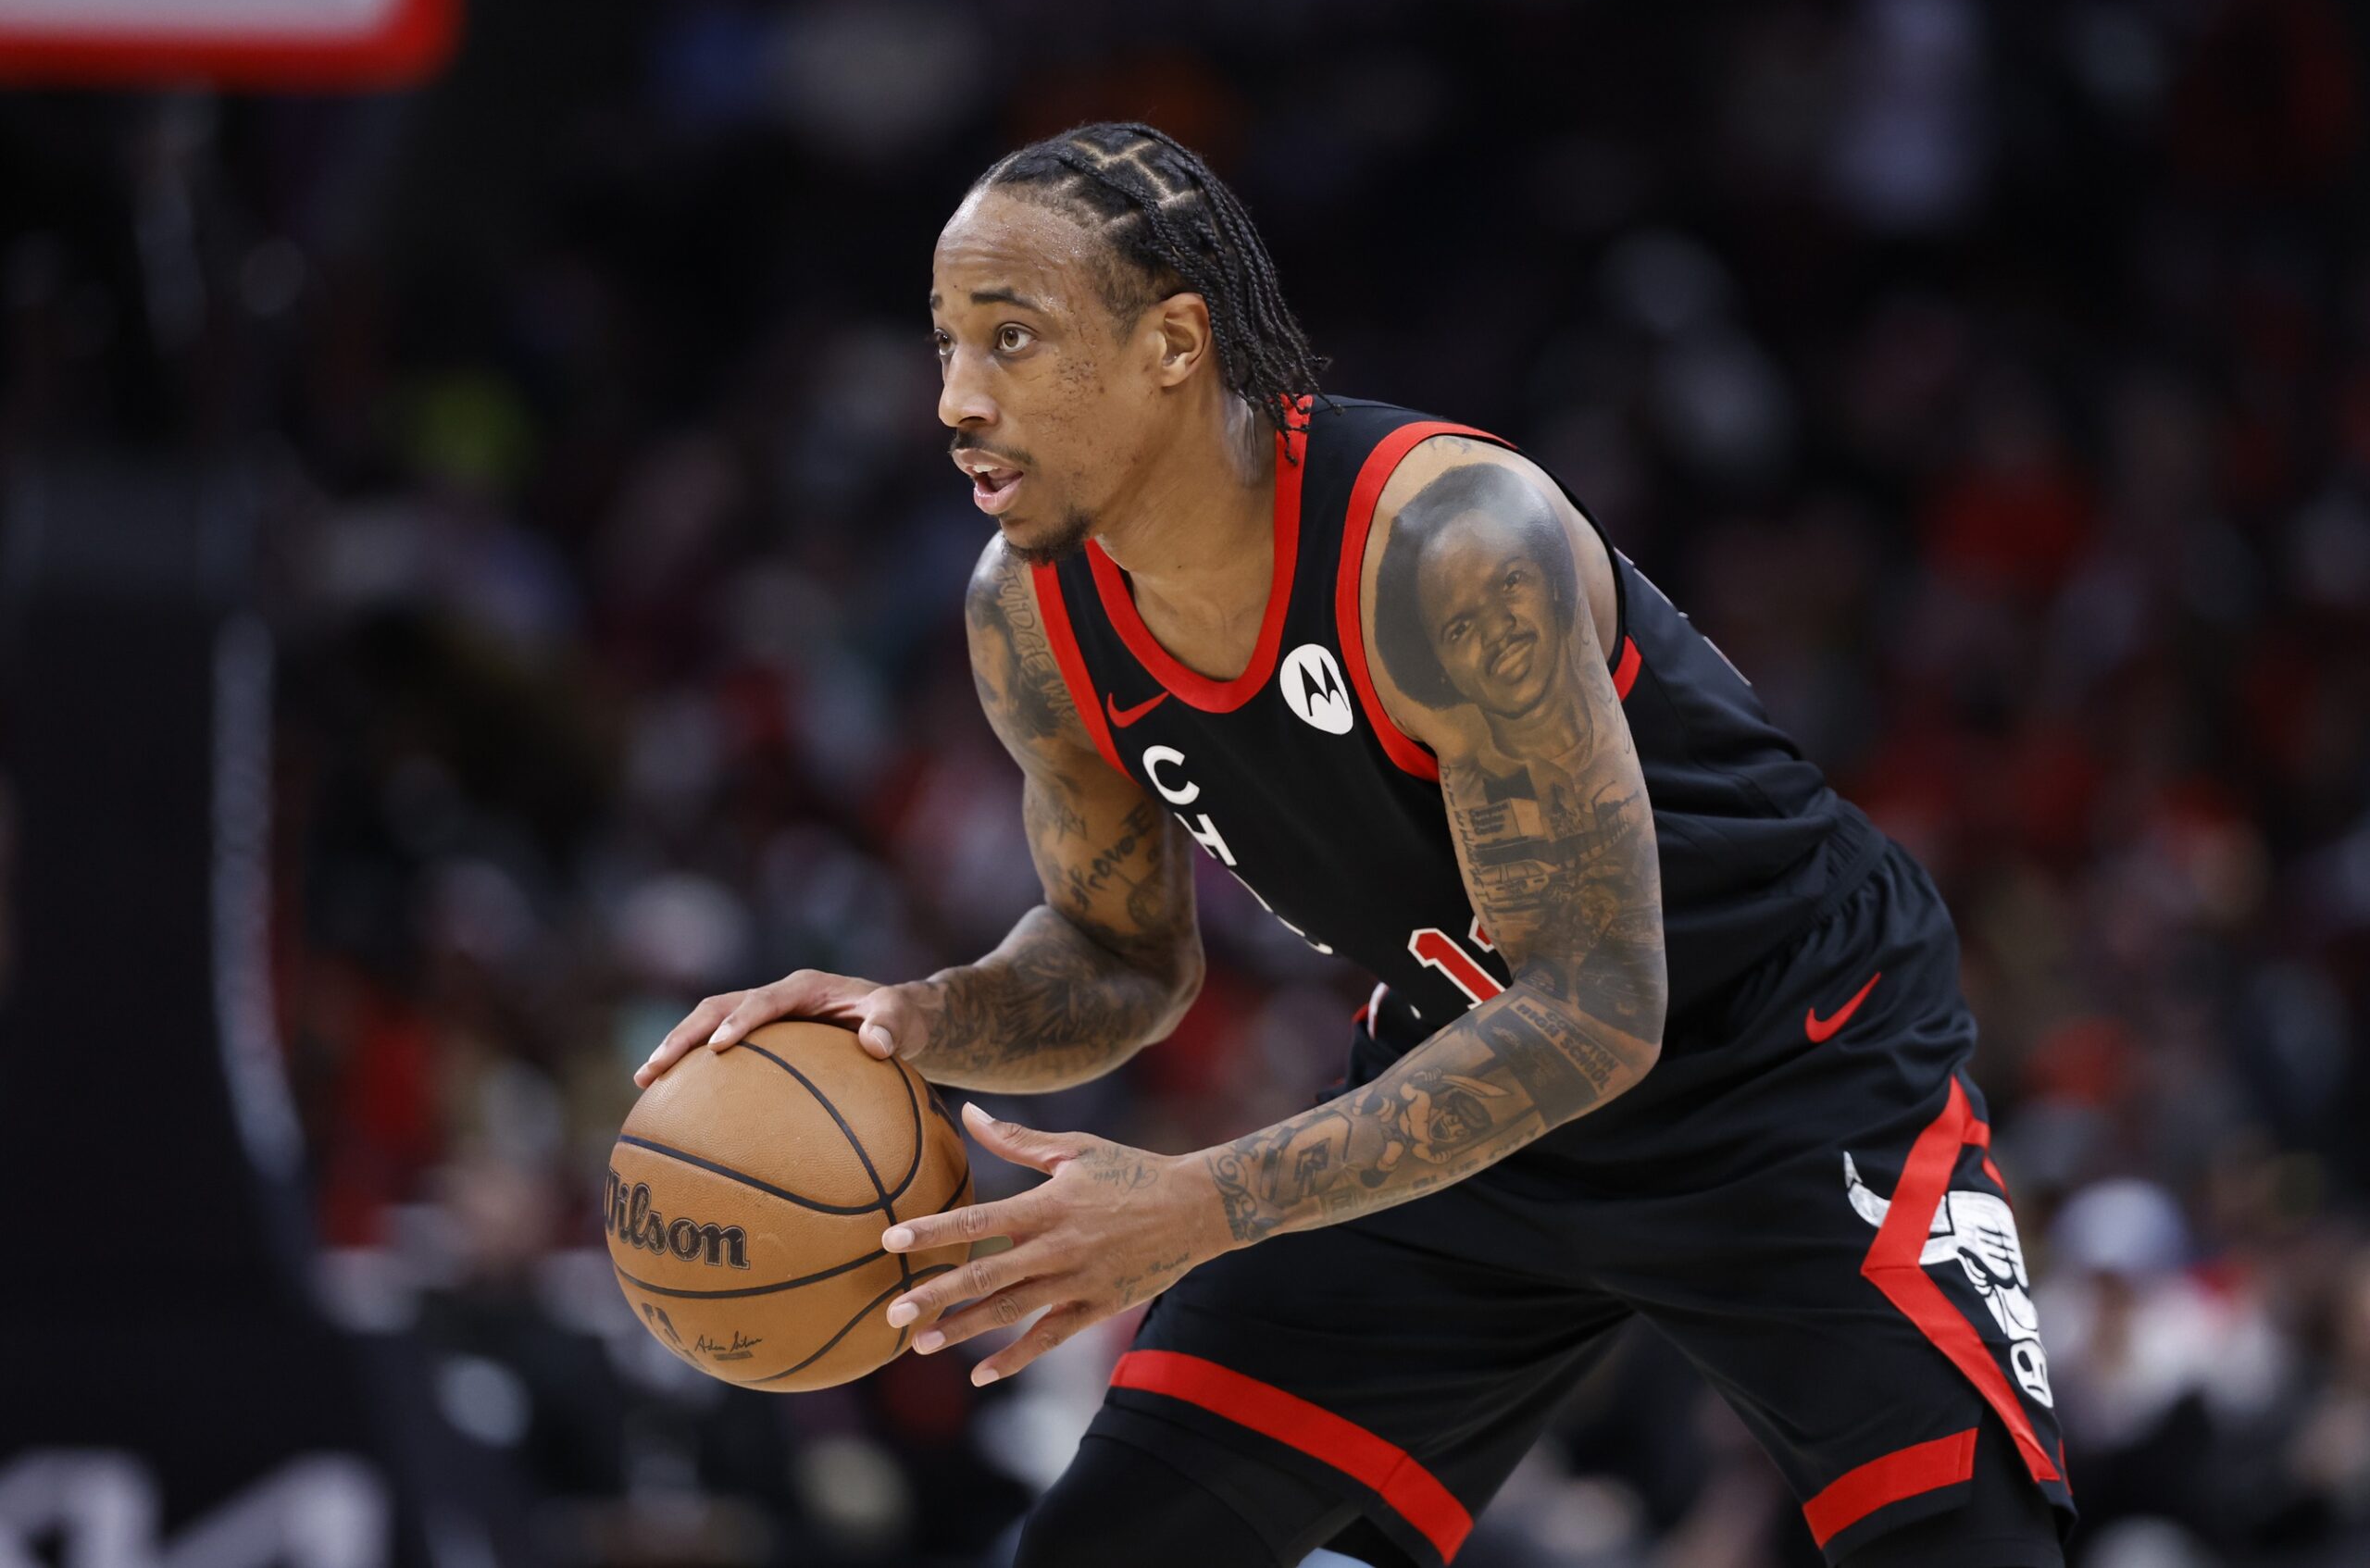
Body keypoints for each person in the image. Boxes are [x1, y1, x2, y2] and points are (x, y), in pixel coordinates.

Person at [635, 121, 2074, 1568]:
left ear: (1175, 343)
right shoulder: (1032, 615)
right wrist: (912, 1023)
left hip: (1784, 1072)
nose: (954, 398)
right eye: (945, 343)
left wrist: (1199, 1204)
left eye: (1011, 339)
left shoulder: (1448, 543)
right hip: (1469, 1102)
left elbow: (1596, 1006)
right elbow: (1122, 954)